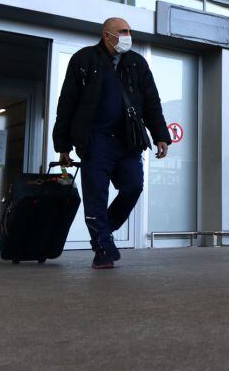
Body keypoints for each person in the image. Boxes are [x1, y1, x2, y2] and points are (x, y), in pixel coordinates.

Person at [53, 17, 170, 269]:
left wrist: (160, 135)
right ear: (107, 35)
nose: (128, 35)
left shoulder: (137, 63)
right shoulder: (83, 60)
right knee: (95, 196)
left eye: (129, 30)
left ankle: (104, 228)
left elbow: (151, 102)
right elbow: (67, 103)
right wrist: (63, 144)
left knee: (133, 186)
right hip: (95, 140)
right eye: (122, 31)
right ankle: (102, 249)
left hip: (129, 140)